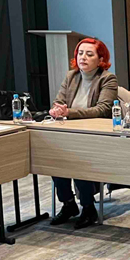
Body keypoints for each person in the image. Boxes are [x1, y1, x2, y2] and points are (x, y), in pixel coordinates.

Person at [49, 38, 118, 229]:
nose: (83, 58)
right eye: (80, 53)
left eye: (89, 54)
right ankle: (68, 204)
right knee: (53, 158)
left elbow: (102, 109)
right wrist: (57, 110)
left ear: (100, 59)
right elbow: (59, 102)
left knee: (76, 157)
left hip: (97, 136)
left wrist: (69, 112)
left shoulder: (107, 78)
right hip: (70, 134)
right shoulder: (71, 76)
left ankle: (88, 208)